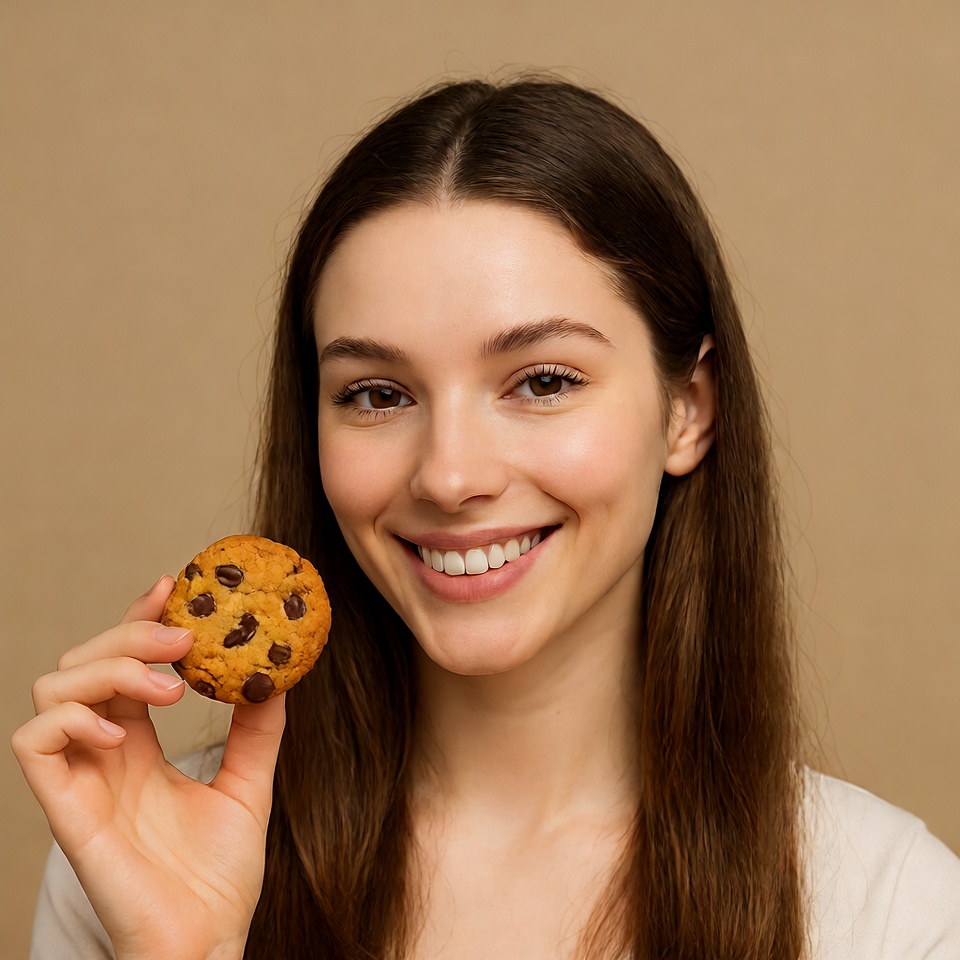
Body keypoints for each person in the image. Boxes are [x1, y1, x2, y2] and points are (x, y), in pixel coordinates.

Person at [12, 77, 960, 960]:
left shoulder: (888, 908)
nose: (450, 474)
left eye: (543, 381)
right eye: (378, 394)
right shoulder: (137, 866)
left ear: (689, 410)